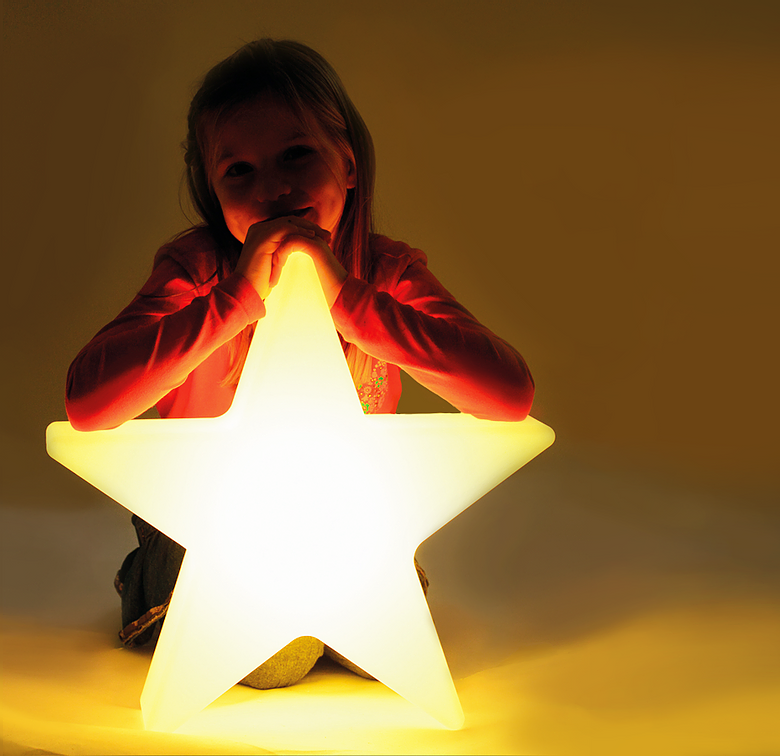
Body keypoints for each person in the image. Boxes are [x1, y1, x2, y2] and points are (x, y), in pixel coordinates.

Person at [64, 39, 535, 688]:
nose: (273, 189)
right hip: (202, 527)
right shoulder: (197, 272)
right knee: (273, 664)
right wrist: (235, 300)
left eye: (296, 155)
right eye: (238, 170)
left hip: (338, 523)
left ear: (348, 164)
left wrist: (348, 300)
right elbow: (87, 403)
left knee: (376, 636)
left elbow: (509, 393)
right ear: (211, 190)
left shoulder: (386, 273)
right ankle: (148, 581)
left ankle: (329, 623)